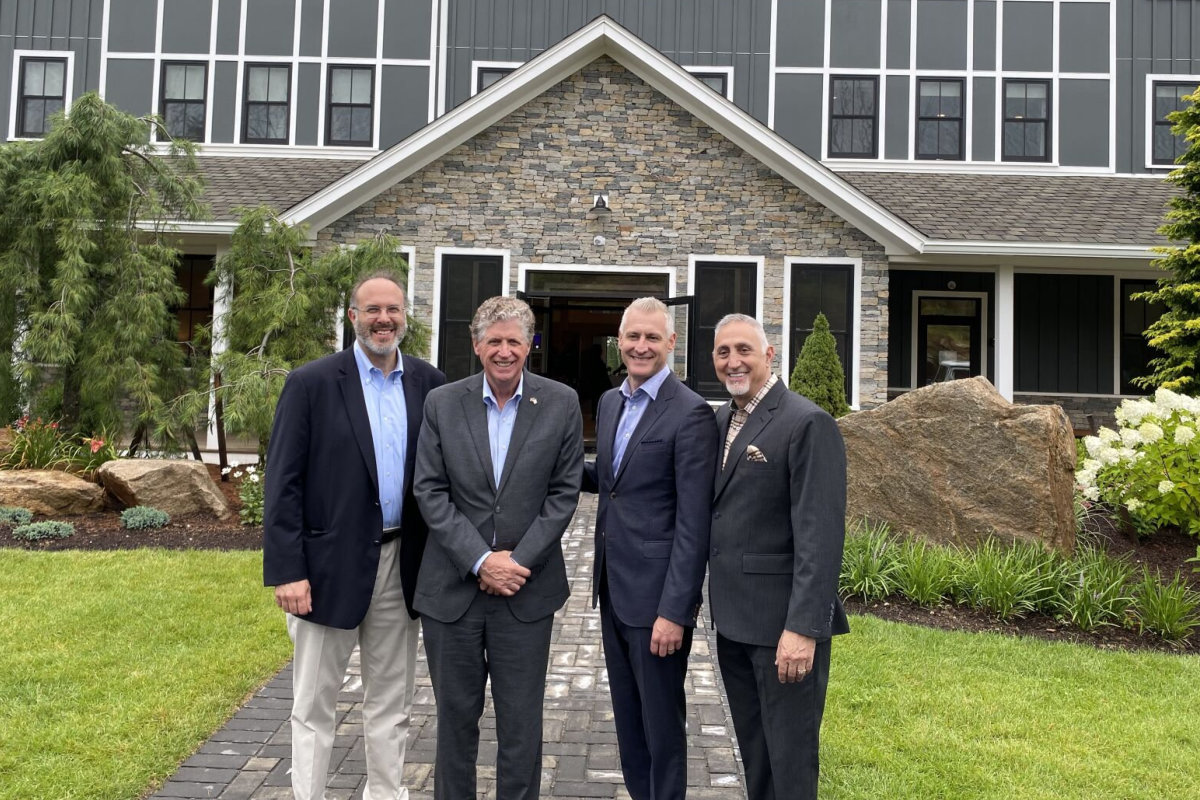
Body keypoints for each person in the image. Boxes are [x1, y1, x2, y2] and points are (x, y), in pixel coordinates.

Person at [262, 270, 445, 800]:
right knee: (314, 702)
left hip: (400, 565)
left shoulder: (430, 386)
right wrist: (288, 570)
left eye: (392, 310)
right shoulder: (312, 384)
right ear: (353, 318)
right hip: (323, 570)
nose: (383, 319)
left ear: (405, 317)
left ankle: (386, 794)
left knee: (391, 702)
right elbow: (283, 483)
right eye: (372, 310)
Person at [413, 295, 583, 800]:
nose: (504, 351)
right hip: (452, 594)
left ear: (530, 345)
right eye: (494, 341)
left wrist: (517, 561)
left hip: (526, 596)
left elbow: (563, 492)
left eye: (514, 340)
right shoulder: (443, 403)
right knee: (454, 723)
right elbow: (430, 490)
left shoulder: (561, 402)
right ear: (476, 344)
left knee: (521, 725)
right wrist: (481, 560)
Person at [708, 313, 849, 800]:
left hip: (782, 631)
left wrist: (803, 629)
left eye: (744, 350)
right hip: (734, 623)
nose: (733, 361)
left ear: (769, 355)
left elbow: (821, 536)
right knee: (756, 754)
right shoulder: (724, 418)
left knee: (789, 763)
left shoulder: (807, 422)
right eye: (724, 352)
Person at [581, 297, 718, 800]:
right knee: (629, 722)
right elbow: (609, 479)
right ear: (620, 340)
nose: (640, 347)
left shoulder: (691, 414)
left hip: (657, 602)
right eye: (632, 337)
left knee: (661, 727)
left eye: (651, 338)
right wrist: (542, 457)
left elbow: (692, 523)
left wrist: (674, 611)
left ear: (670, 343)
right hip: (613, 590)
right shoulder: (612, 401)